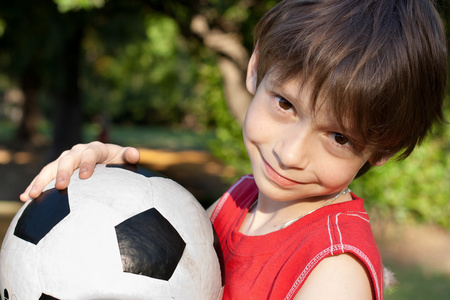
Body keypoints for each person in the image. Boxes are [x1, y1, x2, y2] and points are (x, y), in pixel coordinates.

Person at [20, 0, 447, 299]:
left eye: (339, 138)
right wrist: (113, 193)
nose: (291, 154)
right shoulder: (239, 201)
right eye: (285, 104)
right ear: (256, 67)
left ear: (382, 148)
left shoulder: (333, 271)